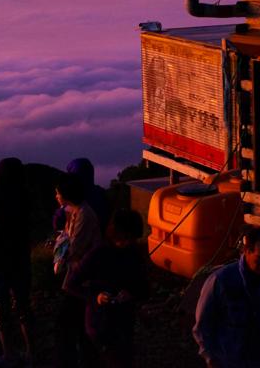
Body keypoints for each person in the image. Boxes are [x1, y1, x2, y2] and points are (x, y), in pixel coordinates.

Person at [193, 226, 260, 368]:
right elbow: (202, 325)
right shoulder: (220, 281)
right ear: (247, 251)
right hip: (226, 361)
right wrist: (209, 357)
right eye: (259, 259)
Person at [68, 209, 149, 368]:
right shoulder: (98, 254)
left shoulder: (133, 253)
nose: (129, 242)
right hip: (100, 322)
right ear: (117, 233)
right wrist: (96, 297)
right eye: (127, 238)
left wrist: (131, 293)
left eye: (133, 239)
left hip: (124, 321)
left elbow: (144, 286)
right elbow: (72, 284)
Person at [0, 158, 33, 368]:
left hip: (0, 262)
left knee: (1, 310)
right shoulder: (24, 198)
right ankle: (32, 354)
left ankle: (9, 355)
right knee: (23, 307)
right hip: (20, 259)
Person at [54, 171, 102, 368]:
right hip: (80, 276)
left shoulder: (83, 214)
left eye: (57, 193)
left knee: (67, 324)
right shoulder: (74, 212)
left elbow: (74, 248)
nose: (56, 196)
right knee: (78, 324)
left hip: (83, 278)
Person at [53, 158, 110, 234]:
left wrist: (62, 206)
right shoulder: (101, 193)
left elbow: (57, 224)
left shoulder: (74, 202)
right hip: (102, 238)